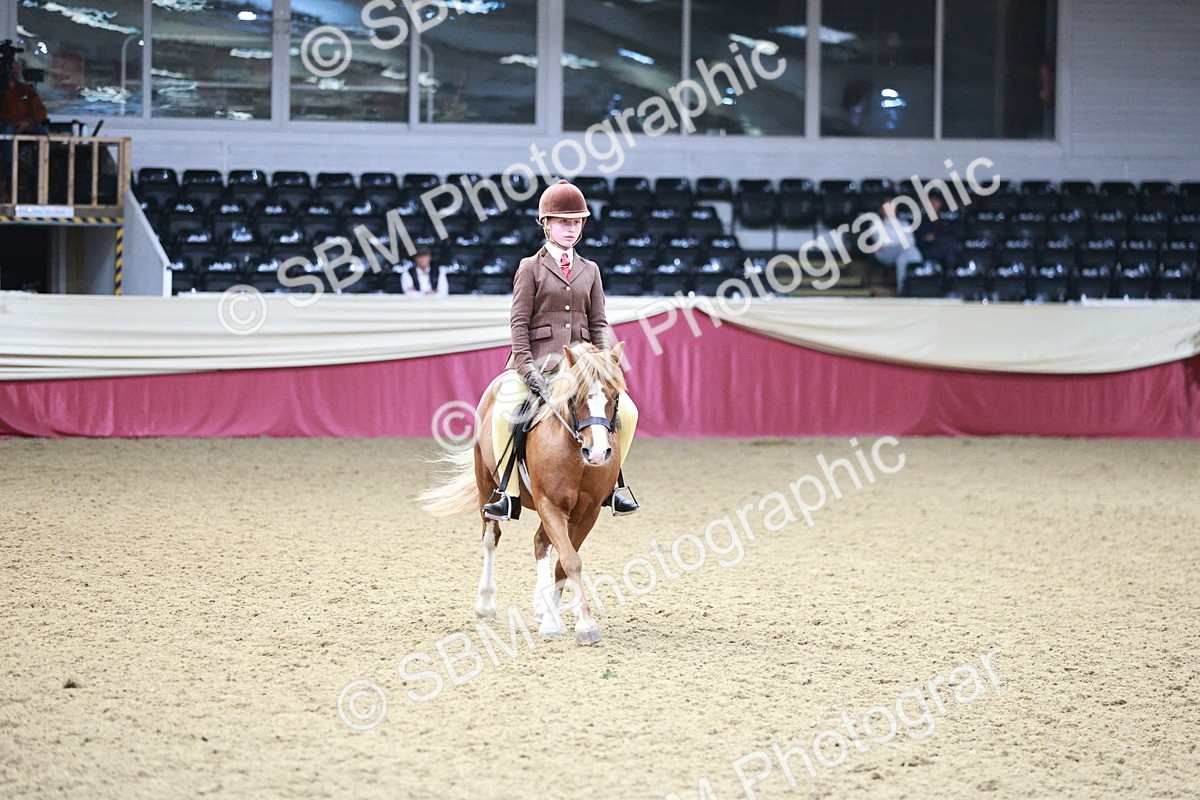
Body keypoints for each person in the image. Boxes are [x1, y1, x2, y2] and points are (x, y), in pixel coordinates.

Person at [482, 179, 639, 521]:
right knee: (505, 411)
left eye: (576, 222)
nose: (571, 229)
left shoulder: (590, 270)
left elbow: (598, 322)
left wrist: (604, 365)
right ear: (546, 224)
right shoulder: (530, 267)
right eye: (563, 222)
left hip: (582, 371)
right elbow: (519, 324)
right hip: (538, 364)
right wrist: (526, 369)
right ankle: (507, 492)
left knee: (628, 412)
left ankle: (613, 486)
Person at [1, 58, 49, 192]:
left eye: (16, 68)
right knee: (7, 130)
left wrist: (27, 122)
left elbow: (41, 112)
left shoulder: (24, 89)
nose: (14, 71)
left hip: (24, 128)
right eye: (11, 68)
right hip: (4, 130)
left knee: (43, 131)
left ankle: (39, 174)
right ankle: (10, 175)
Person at [870, 196, 924, 294]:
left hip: (904, 253)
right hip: (885, 253)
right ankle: (904, 288)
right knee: (910, 252)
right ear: (882, 209)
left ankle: (908, 288)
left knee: (903, 259)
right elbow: (884, 243)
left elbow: (911, 241)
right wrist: (900, 241)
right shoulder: (876, 224)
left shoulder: (904, 224)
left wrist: (897, 241)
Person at [914, 193, 963, 269]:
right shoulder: (920, 221)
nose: (934, 205)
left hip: (944, 248)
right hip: (927, 249)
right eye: (931, 202)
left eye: (936, 202)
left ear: (940, 204)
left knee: (951, 249)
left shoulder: (944, 221)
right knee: (951, 247)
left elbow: (950, 235)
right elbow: (923, 238)